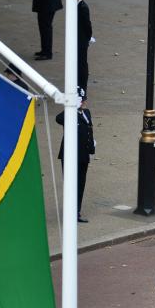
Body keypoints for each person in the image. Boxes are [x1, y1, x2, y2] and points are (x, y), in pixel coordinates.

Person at [55, 88, 95, 223]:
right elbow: (58, 119)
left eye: (83, 100)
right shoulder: (69, 114)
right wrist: (70, 106)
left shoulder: (86, 113)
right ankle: (70, 212)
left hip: (83, 155)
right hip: (70, 155)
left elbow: (89, 131)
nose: (84, 102)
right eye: (81, 100)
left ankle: (76, 211)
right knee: (71, 184)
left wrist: (91, 149)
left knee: (80, 184)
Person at [77, 0, 93, 97]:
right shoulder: (77, 6)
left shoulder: (83, 7)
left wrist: (88, 38)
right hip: (78, 40)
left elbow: (87, 25)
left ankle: (82, 89)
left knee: (82, 65)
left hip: (81, 41)